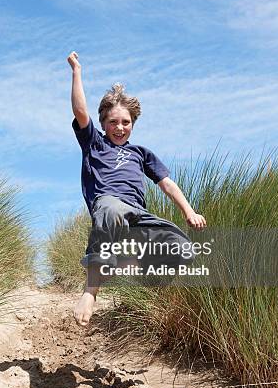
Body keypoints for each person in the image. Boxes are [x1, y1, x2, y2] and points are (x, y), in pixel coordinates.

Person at [67, 51, 207, 326]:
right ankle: (90, 291)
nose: (119, 127)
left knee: (182, 248)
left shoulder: (140, 153)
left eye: (125, 122)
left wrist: (189, 211)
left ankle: (132, 273)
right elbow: (80, 111)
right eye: (113, 122)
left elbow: (166, 183)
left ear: (133, 123)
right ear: (104, 123)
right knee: (110, 208)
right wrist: (76, 71)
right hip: (108, 204)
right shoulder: (95, 143)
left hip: (137, 214)